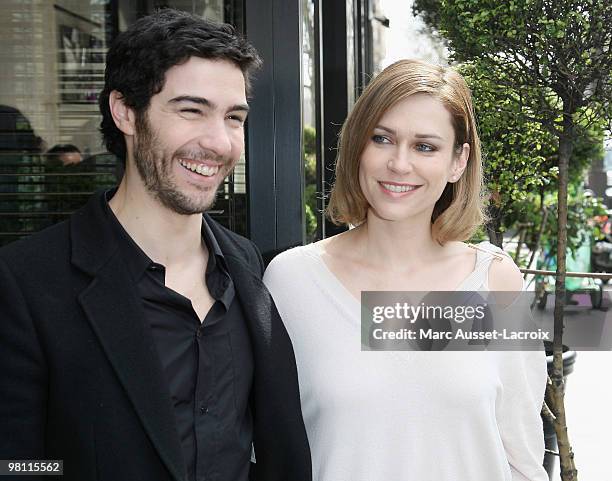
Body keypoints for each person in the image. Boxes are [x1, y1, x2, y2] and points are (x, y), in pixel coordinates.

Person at [0, 9, 311, 481]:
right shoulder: (27, 280)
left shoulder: (245, 265)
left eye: (234, 117)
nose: (220, 142)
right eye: (191, 110)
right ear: (125, 111)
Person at [263, 59, 548, 481]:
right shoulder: (291, 281)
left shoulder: (495, 280)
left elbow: (523, 456)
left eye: (425, 146)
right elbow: (265, 447)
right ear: (358, 146)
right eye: (382, 139)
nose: (399, 164)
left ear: (458, 162)